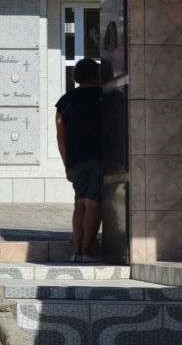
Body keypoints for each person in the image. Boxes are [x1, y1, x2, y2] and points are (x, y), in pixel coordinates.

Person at [55, 58, 105, 263]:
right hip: (98, 158)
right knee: (93, 203)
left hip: (75, 160)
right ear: (96, 75)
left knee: (80, 203)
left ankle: (76, 252)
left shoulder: (65, 101)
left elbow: (61, 135)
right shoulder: (104, 96)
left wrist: (66, 164)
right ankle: (87, 251)